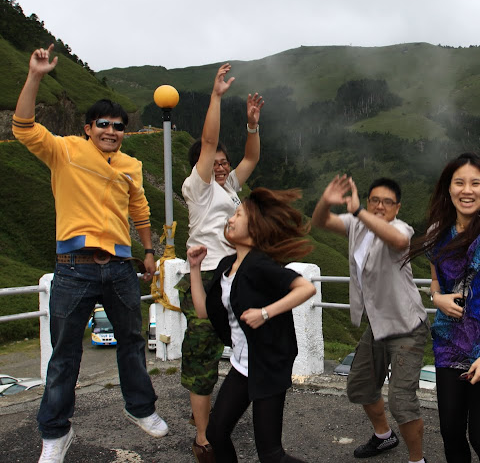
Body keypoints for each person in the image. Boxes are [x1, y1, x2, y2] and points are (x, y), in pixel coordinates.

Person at [12, 45, 167, 463]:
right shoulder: (64, 150)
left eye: (118, 126)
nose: (111, 131)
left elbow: (140, 211)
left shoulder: (131, 166)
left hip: (119, 268)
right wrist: (35, 76)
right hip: (73, 268)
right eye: (103, 124)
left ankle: (140, 407)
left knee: (132, 341)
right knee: (64, 355)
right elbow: (23, 127)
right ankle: (55, 433)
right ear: (88, 128)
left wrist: (148, 250)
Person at [187, 187, 316, 463]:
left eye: (238, 214)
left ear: (254, 227)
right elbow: (203, 311)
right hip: (242, 365)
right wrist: (194, 268)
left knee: (271, 455)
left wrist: (265, 313)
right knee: (216, 433)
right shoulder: (227, 265)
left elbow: (305, 288)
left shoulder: (260, 265)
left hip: (267, 365)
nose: (230, 219)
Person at [407, 152, 480, 463]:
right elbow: (436, 282)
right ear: (448, 188)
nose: (466, 190)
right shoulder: (438, 231)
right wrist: (437, 298)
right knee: (451, 432)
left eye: (475, 183)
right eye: (459, 183)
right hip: (450, 341)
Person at [178, 63, 263, 462]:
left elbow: (251, 157)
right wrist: (215, 97)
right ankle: (204, 437)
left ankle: (223, 418)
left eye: (224, 161)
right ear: (201, 164)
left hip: (233, 274)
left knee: (242, 346)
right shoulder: (197, 188)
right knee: (203, 357)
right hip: (206, 274)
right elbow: (209, 140)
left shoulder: (228, 187)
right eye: (214, 160)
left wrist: (252, 125)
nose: (222, 165)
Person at [311, 175, 429, 463]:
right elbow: (320, 222)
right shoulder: (357, 225)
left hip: (407, 327)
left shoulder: (400, 228)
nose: (379, 206)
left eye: (387, 202)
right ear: (367, 200)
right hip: (377, 326)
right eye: (374, 200)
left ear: (397, 208)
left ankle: (417, 460)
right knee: (361, 385)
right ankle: (383, 435)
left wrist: (358, 211)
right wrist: (326, 201)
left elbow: (398, 240)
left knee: (401, 401)